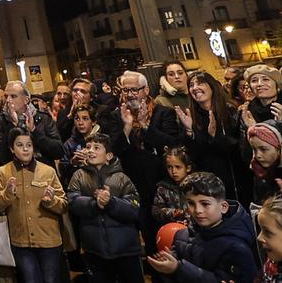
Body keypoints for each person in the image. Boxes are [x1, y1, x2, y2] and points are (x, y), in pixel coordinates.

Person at [107, 70, 184, 252]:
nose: (130, 94)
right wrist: (126, 127)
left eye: (135, 90)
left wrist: (146, 126)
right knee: (146, 234)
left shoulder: (163, 113)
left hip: (160, 181)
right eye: (125, 90)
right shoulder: (116, 116)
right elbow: (113, 150)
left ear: (146, 90)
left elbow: (171, 144)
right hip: (132, 182)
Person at [145, 172, 257, 283]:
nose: (197, 210)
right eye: (191, 203)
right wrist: (169, 263)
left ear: (223, 207)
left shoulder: (236, 247)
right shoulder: (181, 235)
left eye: (205, 204)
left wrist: (178, 268)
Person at [0, 128, 67, 283]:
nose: (25, 149)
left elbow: (63, 205)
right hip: (20, 242)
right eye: (20, 145)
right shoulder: (3, 172)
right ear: (12, 148)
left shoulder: (48, 171)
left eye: (29, 145)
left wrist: (51, 201)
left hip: (49, 242)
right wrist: (7, 194)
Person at [66, 133, 144, 283]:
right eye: (88, 147)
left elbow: (134, 207)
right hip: (95, 250)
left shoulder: (121, 178)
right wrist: (95, 204)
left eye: (96, 147)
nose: (90, 151)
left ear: (108, 156)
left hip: (126, 250)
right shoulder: (79, 176)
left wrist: (111, 202)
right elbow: (72, 201)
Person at [178, 71, 248, 205]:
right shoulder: (189, 116)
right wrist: (189, 132)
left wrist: (215, 136)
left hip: (235, 180)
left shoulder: (230, 110)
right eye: (191, 85)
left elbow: (238, 148)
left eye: (200, 83)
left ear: (212, 87)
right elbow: (192, 156)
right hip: (208, 183)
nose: (195, 87)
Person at [0, 80, 64, 167]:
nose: (8, 100)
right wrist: (14, 125)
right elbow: (3, 157)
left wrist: (34, 130)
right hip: (16, 174)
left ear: (26, 100)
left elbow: (58, 152)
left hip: (43, 171)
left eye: (13, 96)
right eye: (6, 96)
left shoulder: (43, 118)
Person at [152, 146, 191, 229]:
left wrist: (187, 215)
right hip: (173, 231)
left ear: (188, 168)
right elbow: (156, 211)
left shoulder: (195, 186)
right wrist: (173, 213)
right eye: (170, 167)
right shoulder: (163, 188)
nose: (173, 171)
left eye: (178, 167)